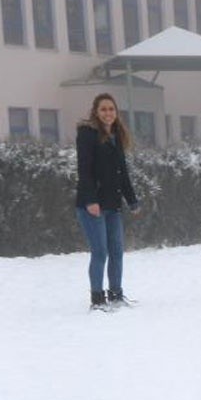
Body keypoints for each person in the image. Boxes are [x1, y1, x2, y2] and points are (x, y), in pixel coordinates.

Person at [75, 93, 140, 311]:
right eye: (103, 109)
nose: (108, 113)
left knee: (117, 251)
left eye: (111, 109)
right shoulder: (87, 134)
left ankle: (116, 294)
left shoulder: (116, 135)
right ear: (96, 111)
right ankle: (97, 298)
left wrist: (132, 200)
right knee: (100, 252)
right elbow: (84, 170)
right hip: (92, 205)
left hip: (113, 204)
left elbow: (122, 172)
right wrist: (91, 200)